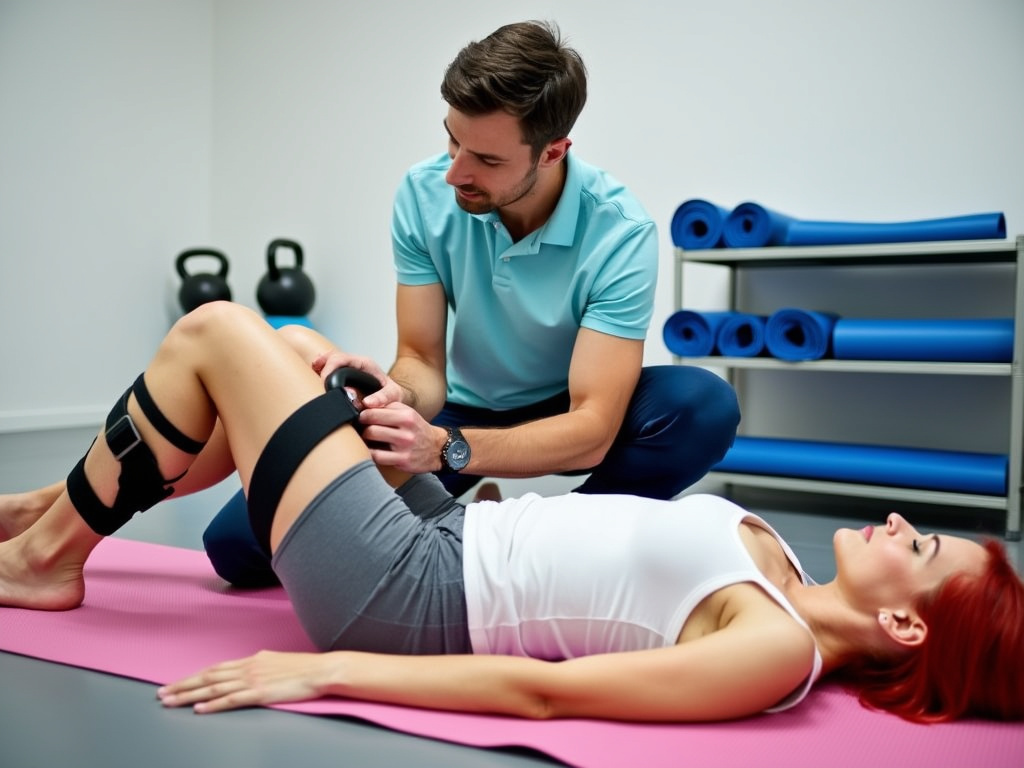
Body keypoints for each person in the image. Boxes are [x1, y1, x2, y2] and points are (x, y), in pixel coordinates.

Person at [1, 301, 1021, 724]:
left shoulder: (772, 646)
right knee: (303, 341)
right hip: (443, 527)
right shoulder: (786, 578)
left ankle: (49, 553)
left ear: (904, 624)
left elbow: (547, 694)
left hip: (404, 591)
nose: (897, 522)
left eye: (919, 546)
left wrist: (320, 669)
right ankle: (56, 502)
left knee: (221, 331)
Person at [195, 19, 740, 586]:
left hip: (565, 409)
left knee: (701, 406)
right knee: (237, 548)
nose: (456, 171)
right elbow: (423, 363)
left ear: (553, 152)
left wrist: (445, 449)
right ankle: (474, 531)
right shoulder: (424, 194)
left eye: (487, 159)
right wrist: (393, 391)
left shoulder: (621, 233)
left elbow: (593, 426)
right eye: (452, 139)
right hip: (459, 404)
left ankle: (531, 543)